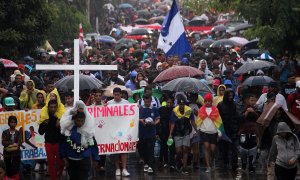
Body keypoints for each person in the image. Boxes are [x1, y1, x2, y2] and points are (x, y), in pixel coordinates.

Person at [60, 101, 100, 180]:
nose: (80, 123)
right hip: (71, 160)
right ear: (74, 120)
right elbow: (63, 144)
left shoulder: (88, 131)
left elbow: (93, 144)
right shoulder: (69, 130)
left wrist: (96, 158)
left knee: (83, 177)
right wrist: (64, 157)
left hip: (84, 159)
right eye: (78, 120)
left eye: (82, 121)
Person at [196, 93, 224, 173]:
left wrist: (219, 133)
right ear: (204, 101)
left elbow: (218, 122)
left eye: (209, 101)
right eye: (206, 101)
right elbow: (198, 121)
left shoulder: (215, 110)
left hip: (213, 132)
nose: (208, 102)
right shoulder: (201, 110)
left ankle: (212, 161)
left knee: (213, 149)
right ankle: (208, 166)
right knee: (206, 147)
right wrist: (196, 130)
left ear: (211, 102)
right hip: (204, 131)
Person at [169, 97, 198, 175]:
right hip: (177, 132)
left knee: (186, 149)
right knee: (178, 151)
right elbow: (172, 123)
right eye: (180, 104)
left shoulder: (188, 111)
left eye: (183, 104)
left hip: (186, 132)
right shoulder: (174, 111)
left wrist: (196, 130)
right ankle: (178, 161)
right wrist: (170, 134)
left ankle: (184, 167)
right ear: (178, 104)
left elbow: (192, 121)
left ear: (185, 104)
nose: (181, 106)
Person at [38, 100, 64, 180]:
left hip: (58, 143)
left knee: (61, 162)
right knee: (50, 163)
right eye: (51, 107)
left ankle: (58, 175)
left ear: (57, 108)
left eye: (54, 107)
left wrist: (60, 125)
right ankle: (53, 178)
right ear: (48, 108)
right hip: (48, 143)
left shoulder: (60, 117)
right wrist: (44, 124)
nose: (53, 109)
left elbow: (65, 131)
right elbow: (40, 132)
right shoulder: (45, 117)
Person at [107, 88, 130, 176]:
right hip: (113, 130)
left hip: (124, 129)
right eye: (115, 95)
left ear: (121, 94)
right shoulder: (109, 103)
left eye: (118, 95)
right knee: (116, 150)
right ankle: (117, 169)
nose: (116, 96)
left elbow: (131, 114)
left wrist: (136, 108)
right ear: (113, 95)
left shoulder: (126, 103)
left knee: (123, 150)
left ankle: (124, 169)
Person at [217, 88, 240, 170]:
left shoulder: (234, 104)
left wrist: (237, 129)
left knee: (234, 148)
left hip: (233, 129)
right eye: (229, 95)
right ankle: (225, 162)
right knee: (224, 149)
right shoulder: (220, 105)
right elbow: (218, 118)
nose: (230, 97)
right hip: (224, 130)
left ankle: (234, 163)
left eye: (232, 95)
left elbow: (237, 117)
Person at [139, 94, 160, 174]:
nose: (147, 103)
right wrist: (143, 121)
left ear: (151, 101)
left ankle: (150, 166)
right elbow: (138, 118)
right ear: (143, 100)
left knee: (151, 149)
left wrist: (154, 123)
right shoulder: (140, 109)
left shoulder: (154, 109)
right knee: (144, 149)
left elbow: (158, 118)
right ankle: (146, 164)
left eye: (148, 101)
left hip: (151, 133)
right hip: (142, 132)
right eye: (145, 101)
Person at [239, 94, 259, 173]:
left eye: (254, 100)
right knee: (243, 149)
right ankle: (244, 162)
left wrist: (253, 112)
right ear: (247, 101)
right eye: (251, 100)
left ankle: (251, 166)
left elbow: (258, 119)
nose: (253, 102)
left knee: (253, 149)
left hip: (253, 132)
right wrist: (246, 112)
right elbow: (240, 119)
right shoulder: (243, 109)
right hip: (243, 132)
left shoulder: (256, 110)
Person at [158, 96, 175, 169]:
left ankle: (172, 163)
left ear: (172, 103)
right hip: (163, 132)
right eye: (168, 102)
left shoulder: (174, 110)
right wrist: (158, 132)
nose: (169, 104)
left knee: (171, 148)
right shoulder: (161, 109)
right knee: (164, 147)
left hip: (172, 132)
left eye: (170, 103)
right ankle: (165, 162)